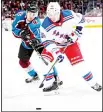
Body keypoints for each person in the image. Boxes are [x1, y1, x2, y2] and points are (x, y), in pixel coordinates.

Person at [40, 2, 102, 92]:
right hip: (56, 45)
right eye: (49, 14)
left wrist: (77, 31)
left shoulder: (69, 14)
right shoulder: (45, 25)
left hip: (70, 44)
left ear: (59, 12)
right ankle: (51, 83)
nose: (52, 17)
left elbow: (81, 19)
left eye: (54, 14)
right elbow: (46, 41)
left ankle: (93, 83)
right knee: (44, 60)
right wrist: (56, 53)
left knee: (79, 65)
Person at [12, 1, 62, 86]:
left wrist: (36, 40)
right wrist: (20, 33)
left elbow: (40, 35)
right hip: (26, 44)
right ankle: (34, 76)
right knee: (22, 62)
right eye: (30, 14)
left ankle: (56, 77)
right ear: (26, 12)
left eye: (34, 14)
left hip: (38, 43)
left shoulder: (36, 22)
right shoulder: (19, 16)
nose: (32, 17)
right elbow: (13, 29)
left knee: (46, 60)